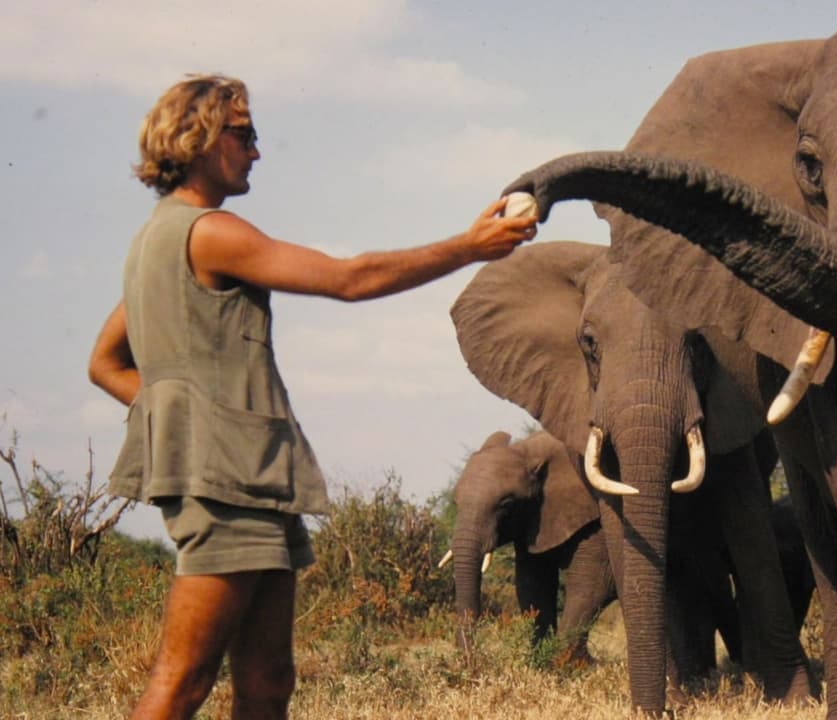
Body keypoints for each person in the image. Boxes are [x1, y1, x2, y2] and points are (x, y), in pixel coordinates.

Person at [87, 73, 537, 720]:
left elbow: (105, 364)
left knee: (269, 681)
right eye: (245, 135)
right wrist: (469, 247)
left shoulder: (152, 242)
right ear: (204, 139)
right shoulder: (210, 232)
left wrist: (178, 418)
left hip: (251, 478)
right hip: (225, 484)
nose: (256, 152)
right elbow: (349, 279)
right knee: (182, 681)